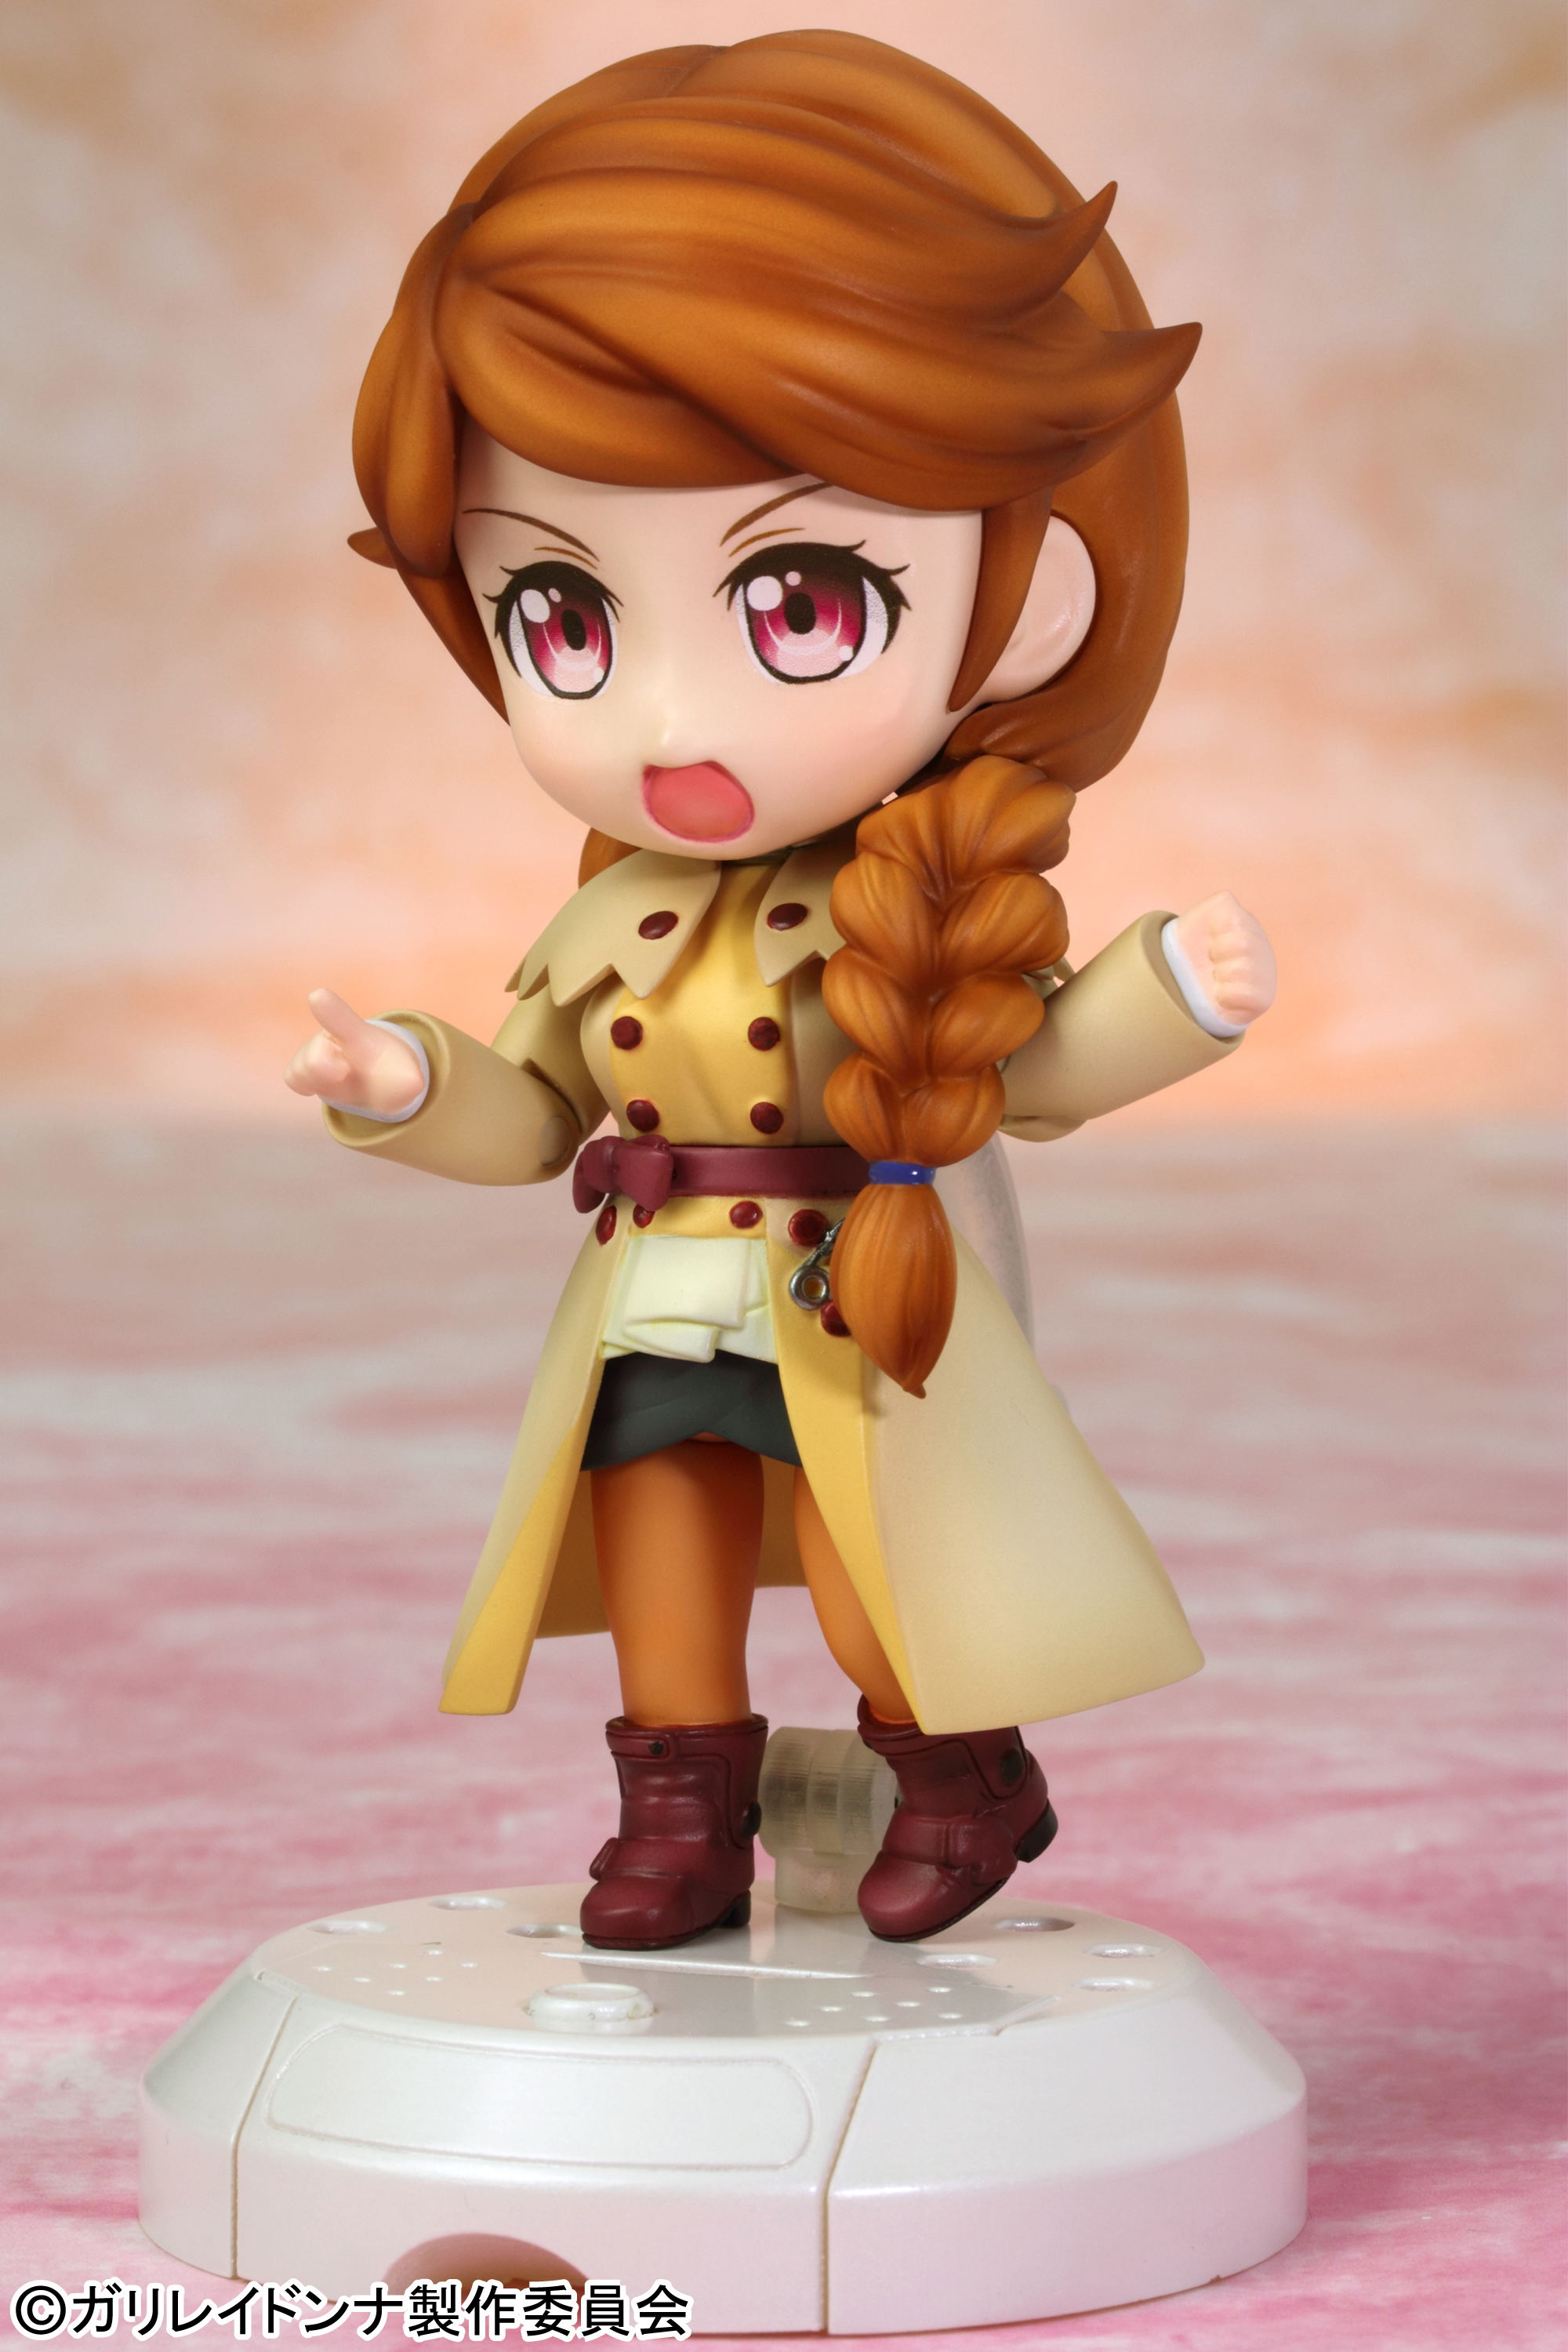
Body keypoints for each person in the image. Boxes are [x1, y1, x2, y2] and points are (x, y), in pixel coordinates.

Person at [285, 31, 1276, 1951]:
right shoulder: (609, 921)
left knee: (869, 1562)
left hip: (853, 1292)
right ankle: (679, 1822)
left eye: (798, 602)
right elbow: (537, 1112)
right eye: (561, 614)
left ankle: (958, 1771)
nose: (668, 721)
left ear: (1034, 594)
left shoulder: (925, 896)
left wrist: (1173, 992)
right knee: (657, 1556)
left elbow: (1028, 1071)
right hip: (650, 1295)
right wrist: (403, 1084)